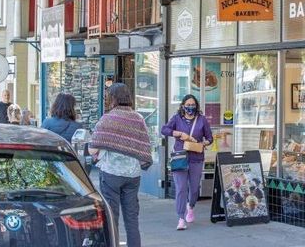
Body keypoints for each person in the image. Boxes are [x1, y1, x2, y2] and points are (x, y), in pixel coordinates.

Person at [88, 83, 152, 247]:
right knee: (132, 219)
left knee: (111, 216)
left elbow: (93, 148)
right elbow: (145, 144)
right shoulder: (138, 118)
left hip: (111, 174)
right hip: (132, 175)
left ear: (112, 98)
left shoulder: (107, 118)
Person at [161, 94, 213, 230]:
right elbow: (164, 129)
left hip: (196, 158)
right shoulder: (177, 119)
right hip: (180, 158)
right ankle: (181, 218)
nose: (190, 107)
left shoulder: (202, 120)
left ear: (196, 106)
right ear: (183, 105)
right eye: (188, 104)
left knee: (194, 188)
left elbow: (210, 137)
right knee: (181, 188)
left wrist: (203, 143)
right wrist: (178, 134)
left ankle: (191, 206)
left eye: (193, 104)